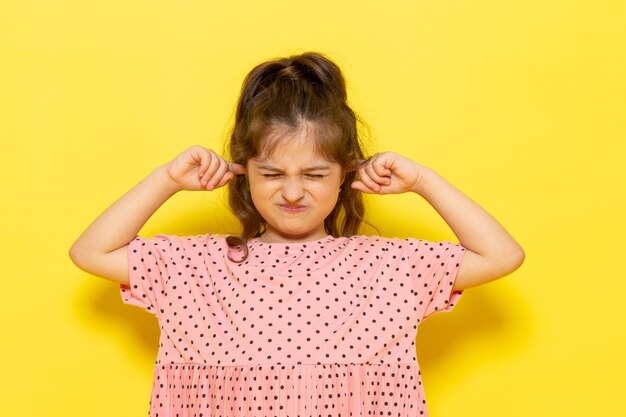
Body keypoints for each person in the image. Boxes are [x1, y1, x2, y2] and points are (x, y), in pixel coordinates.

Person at [69, 51, 524, 417]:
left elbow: (501, 255)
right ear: (243, 172)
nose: (291, 192)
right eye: (270, 173)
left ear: (345, 174)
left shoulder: (388, 267)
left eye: (313, 174)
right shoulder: (197, 268)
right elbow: (91, 251)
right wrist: (167, 179)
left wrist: (424, 181)